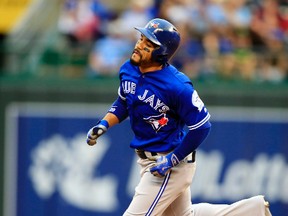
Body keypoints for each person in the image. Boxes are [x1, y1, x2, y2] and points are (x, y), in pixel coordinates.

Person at [86, 17, 211, 215]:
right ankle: (252, 210)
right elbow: (123, 102)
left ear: (162, 52)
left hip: (170, 163)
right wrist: (104, 123)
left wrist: (172, 159)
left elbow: (202, 126)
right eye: (141, 38)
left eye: (149, 43)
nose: (140, 44)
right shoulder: (129, 69)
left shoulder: (177, 86)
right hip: (149, 161)